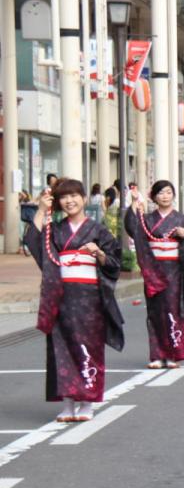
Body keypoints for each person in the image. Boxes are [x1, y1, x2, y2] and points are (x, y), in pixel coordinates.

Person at [25, 179, 124, 423]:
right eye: (64, 197)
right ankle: (68, 403)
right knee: (61, 349)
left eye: (74, 195)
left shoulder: (98, 230)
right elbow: (34, 243)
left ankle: (87, 402)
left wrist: (98, 253)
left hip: (90, 298)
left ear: (83, 198)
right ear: (58, 202)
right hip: (60, 296)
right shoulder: (55, 230)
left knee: (88, 347)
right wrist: (40, 210)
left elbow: (114, 263)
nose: (69, 201)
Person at [125, 180, 184, 369]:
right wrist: (134, 203)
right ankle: (157, 355)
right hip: (154, 269)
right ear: (154, 197)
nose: (165, 196)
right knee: (155, 311)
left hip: (175, 269)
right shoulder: (147, 219)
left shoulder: (182, 219)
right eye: (161, 193)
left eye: (168, 192)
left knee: (174, 309)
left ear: (174, 195)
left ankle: (172, 354)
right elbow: (133, 228)